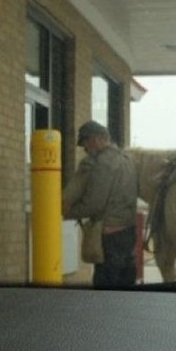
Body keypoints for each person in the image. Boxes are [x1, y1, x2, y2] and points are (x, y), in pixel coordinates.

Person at [65, 121, 138, 288]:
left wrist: (67, 212)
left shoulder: (103, 163)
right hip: (128, 231)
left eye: (85, 143)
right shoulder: (128, 160)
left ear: (96, 140)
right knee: (126, 282)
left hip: (109, 236)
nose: (85, 149)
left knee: (105, 285)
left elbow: (94, 203)